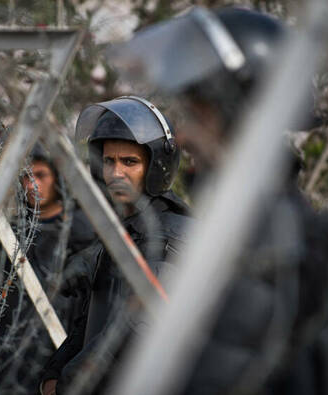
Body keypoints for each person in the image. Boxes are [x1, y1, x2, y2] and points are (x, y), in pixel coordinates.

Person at [108, 6, 328, 395]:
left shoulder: (265, 235)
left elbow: (214, 378)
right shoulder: (255, 221)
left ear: (239, 114)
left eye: (197, 114)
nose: (184, 136)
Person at [40, 96, 192, 395]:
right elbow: (94, 317)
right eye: (109, 161)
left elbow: (134, 331)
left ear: (156, 166)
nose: (116, 173)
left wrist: (71, 380)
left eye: (130, 162)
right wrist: (55, 370)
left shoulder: (171, 236)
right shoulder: (125, 229)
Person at [0, 145, 96, 394]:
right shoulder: (11, 236)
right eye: (26, 176)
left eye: (40, 175)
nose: (32, 184)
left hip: (65, 363)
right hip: (15, 365)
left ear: (58, 178)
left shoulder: (83, 233)